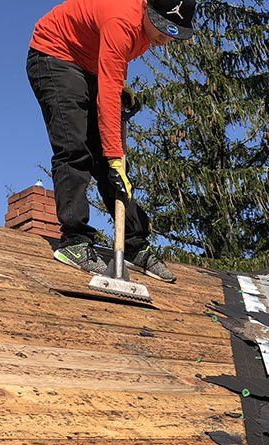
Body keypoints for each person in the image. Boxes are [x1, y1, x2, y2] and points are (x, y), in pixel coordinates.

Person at [27, 0, 197, 282]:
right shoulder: (123, 20)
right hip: (54, 53)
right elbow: (107, 93)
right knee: (75, 147)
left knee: (114, 167)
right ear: (148, 10)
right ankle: (74, 241)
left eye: (174, 33)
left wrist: (120, 88)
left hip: (90, 63)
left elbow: (113, 66)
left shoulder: (146, 29)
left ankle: (133, 244)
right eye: (163, 29)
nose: (165, 39)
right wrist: (115, 155)